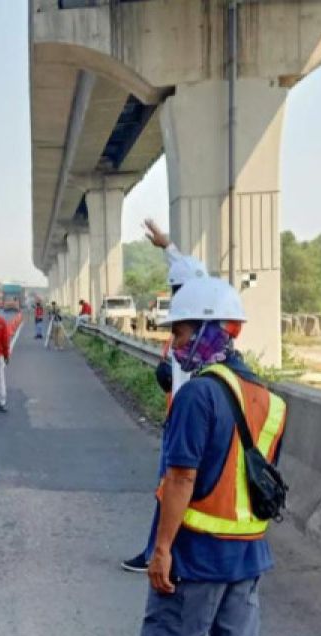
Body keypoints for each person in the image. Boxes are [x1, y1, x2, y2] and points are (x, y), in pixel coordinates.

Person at [107, 277, 287, 636]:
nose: (175, 345)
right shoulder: (269, 401)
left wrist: (161, 549)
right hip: (249, 557)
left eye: (182, 333)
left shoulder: (199, 395)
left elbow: (182, 478)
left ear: (209, 330)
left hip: (197, 553)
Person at [122, 219, 209, 573]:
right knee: (178, 487)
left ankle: (157, 553)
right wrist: (167, 245)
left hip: (186, 419)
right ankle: (167, 551)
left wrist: (172, 381)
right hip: (186, 414)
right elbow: (186, 267)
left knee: (171, 485)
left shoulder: (196, 329)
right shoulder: (204, 313)